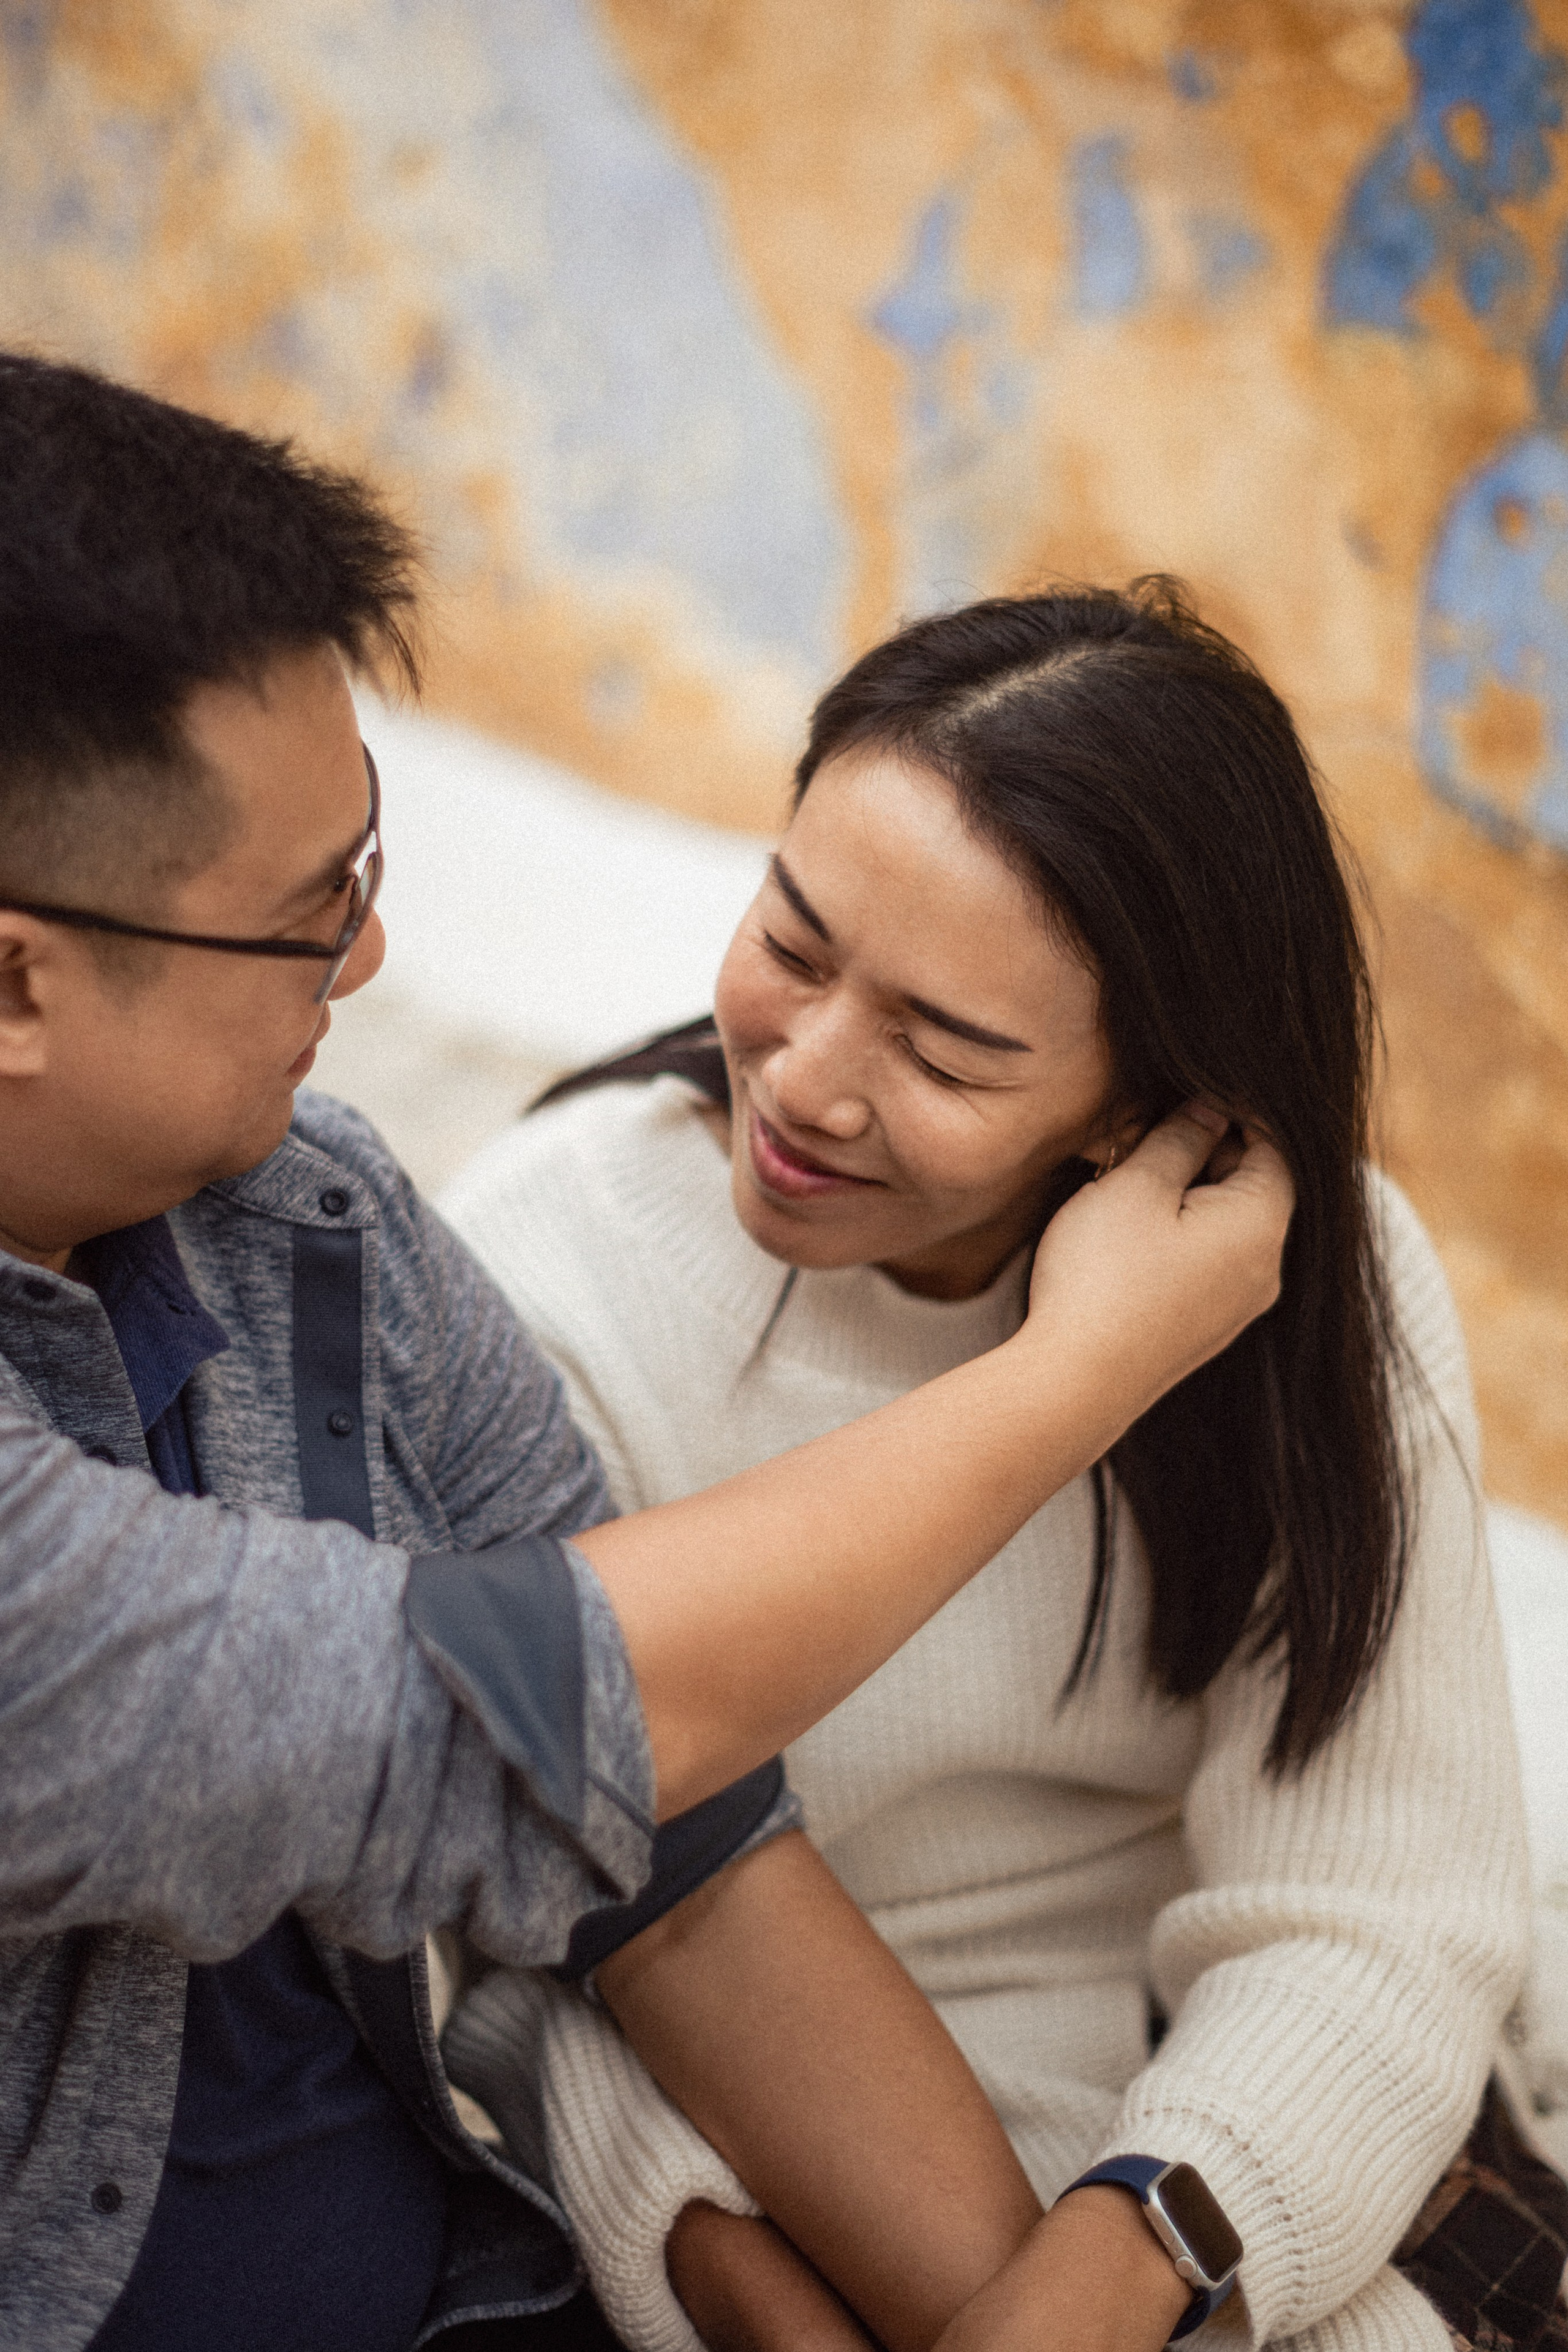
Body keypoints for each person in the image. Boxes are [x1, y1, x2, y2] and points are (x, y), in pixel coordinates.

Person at [0, 356, 1291, 2352]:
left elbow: (677, 1853)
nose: (365, 962)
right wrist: (1078, 1371)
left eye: (369, 869)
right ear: (21, 979)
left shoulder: (312, 1217)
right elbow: (538, 1723)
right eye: (302, 911)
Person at [442, 581, 1566, 2352]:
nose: (805, 1083)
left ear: (1141, 1103)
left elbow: (1377, 1919)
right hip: (751, 2187)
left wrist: (1107, 2281)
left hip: (1221, 2177)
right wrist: (716, 2263)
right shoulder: (545, 1275)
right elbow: (504, 1947)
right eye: (791, 945)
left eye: (947, 1049)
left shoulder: (1308, 1288)